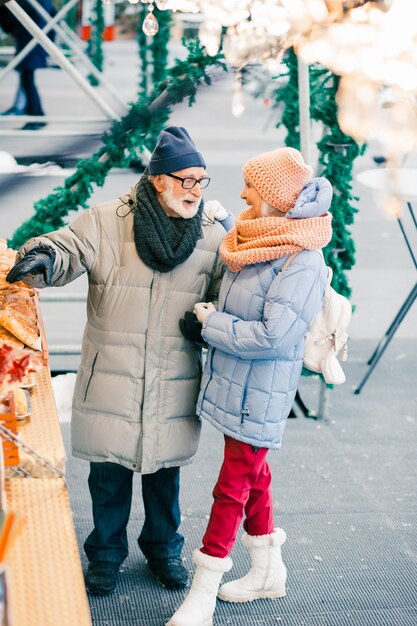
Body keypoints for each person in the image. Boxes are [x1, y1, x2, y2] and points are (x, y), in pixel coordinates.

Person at [6, 126, 234, 595]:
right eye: (185, 180)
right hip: (113, 372)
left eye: (201, 181)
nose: (194, 190)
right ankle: (105, 555)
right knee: (107, 475)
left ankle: (163, 549)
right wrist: (44, 257)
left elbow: (220, 292)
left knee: (163, 474)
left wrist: (205, 320)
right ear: (158, 180)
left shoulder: (212, 235)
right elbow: (70, 246)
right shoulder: (108, 220)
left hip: (173, 374)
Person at [167, 147, 333, 626]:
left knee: (233, 483)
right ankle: (266, 568)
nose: (241, 194)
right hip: (236, 381)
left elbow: (272, 334)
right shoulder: (261, 236)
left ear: (276, 199)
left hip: (259, 386)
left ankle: (204, 587)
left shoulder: (301, 259)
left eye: (251, 189)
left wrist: (210, 324)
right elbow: (248, 288)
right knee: (253, 473)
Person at [0, 0, 56, 129]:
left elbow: (10, 23)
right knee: (27, 80)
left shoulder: (27, 2)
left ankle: (36, 118)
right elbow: (54, 18)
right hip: (38, 43)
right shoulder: (45, 2)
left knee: (27, 80)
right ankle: (36, 116)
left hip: (29, 44)